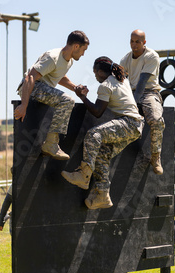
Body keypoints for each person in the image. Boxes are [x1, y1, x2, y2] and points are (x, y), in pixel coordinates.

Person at [61, 56, 144, 209]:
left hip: (129, 122)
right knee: (101, 155)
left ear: (100, 72)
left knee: (94, 135)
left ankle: (84, 175)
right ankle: (103, 195)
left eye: (95, 73)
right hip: (136, 126)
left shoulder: (105, 85)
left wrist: (83, 97)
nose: (95, 76)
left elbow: (98, 112)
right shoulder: (121, 79)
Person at [14, 30, 90, 160]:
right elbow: (30, 77)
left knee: (66, 100)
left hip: (43, 89)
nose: (83, 54)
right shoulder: (52, 57)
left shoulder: (68, 61)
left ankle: (50, 144)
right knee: (67, 101)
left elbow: (58, 76)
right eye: (83, 50)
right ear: (76, 46)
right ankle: (51, 144)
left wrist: (75, 88)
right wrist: (24, 105)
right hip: (32, 87)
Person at [120, 29, 164, 175]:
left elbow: (142, 82)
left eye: (137, 42)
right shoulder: (125, 59)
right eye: (132, 41)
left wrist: (134, 104)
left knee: (156, 120)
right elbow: (121, 80)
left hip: (148, 92)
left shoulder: (151, 56)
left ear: (144, 42)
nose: (134, 45)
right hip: (130, 92)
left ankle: (156, 157)